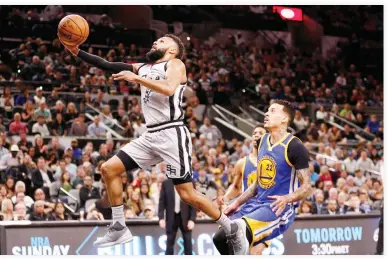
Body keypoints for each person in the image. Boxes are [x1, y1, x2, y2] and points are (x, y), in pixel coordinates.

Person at [59, 34, 238, 248]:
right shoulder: (143, 67)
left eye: (162, 41)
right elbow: (105, 64)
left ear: (172, 50)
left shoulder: (175, 64)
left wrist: (137, 79)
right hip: (151, 134)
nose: (156, 42)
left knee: (187, 194)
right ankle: (118, 227)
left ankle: (230, 228)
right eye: (156, 40)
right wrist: (76, 51)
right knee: (108, 169)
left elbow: (169, 88)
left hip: (172, 132)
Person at [213, 100, 312, 255]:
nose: (266, 113)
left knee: (240, 235)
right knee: (219, 238)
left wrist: (287, 198)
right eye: (267, 110)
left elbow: (307, 187)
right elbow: (258, 183)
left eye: (273, 111)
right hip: (256, 205)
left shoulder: (294, 146)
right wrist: (236, 203)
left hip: (277, 209)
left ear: (284, 119)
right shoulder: (262, 142)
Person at [215, 126, 267, 255]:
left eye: (261, 133)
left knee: (255, 252)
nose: (256, 135)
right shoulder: (242, 163)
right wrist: (226, 198)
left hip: (263, 213)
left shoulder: (272, 162)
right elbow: (236, 187)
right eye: (254, 133)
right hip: (244, 211)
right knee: (221, 240)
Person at [158, 178, 196, 255]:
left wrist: (192, 219)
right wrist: (161, 218)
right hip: (171, 217)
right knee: (169, 244)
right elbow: (162, 201)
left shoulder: (189, 182)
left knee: (188, 244)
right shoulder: (166, 183)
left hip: (186, 218)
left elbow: (193, 201)